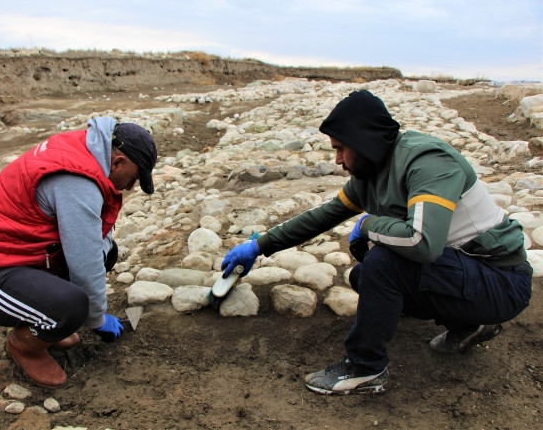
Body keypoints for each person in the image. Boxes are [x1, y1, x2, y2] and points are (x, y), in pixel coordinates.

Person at [220, 90, 532, 395]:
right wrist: (259, 246)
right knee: (363, 275)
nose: (338, 160)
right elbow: (323, 216)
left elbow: (423, 243)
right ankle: (471, 323)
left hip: (502, 280)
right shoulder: (371, 172)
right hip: (468, 272)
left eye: (342, 148)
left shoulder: (427, 162)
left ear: (365, 141)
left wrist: (369, 224)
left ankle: (365, 367)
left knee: (383, 263)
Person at [0, 116, 157, 388]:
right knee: (71, 306)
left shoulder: (85, 150)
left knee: (107, 252)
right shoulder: (77, 180)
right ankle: (24, 346)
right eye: (133, 179)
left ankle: (44, 322)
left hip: (18, 257)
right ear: (118, 163)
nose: (129, 187)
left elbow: (93, 244)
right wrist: (95, 318)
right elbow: (84, 262)